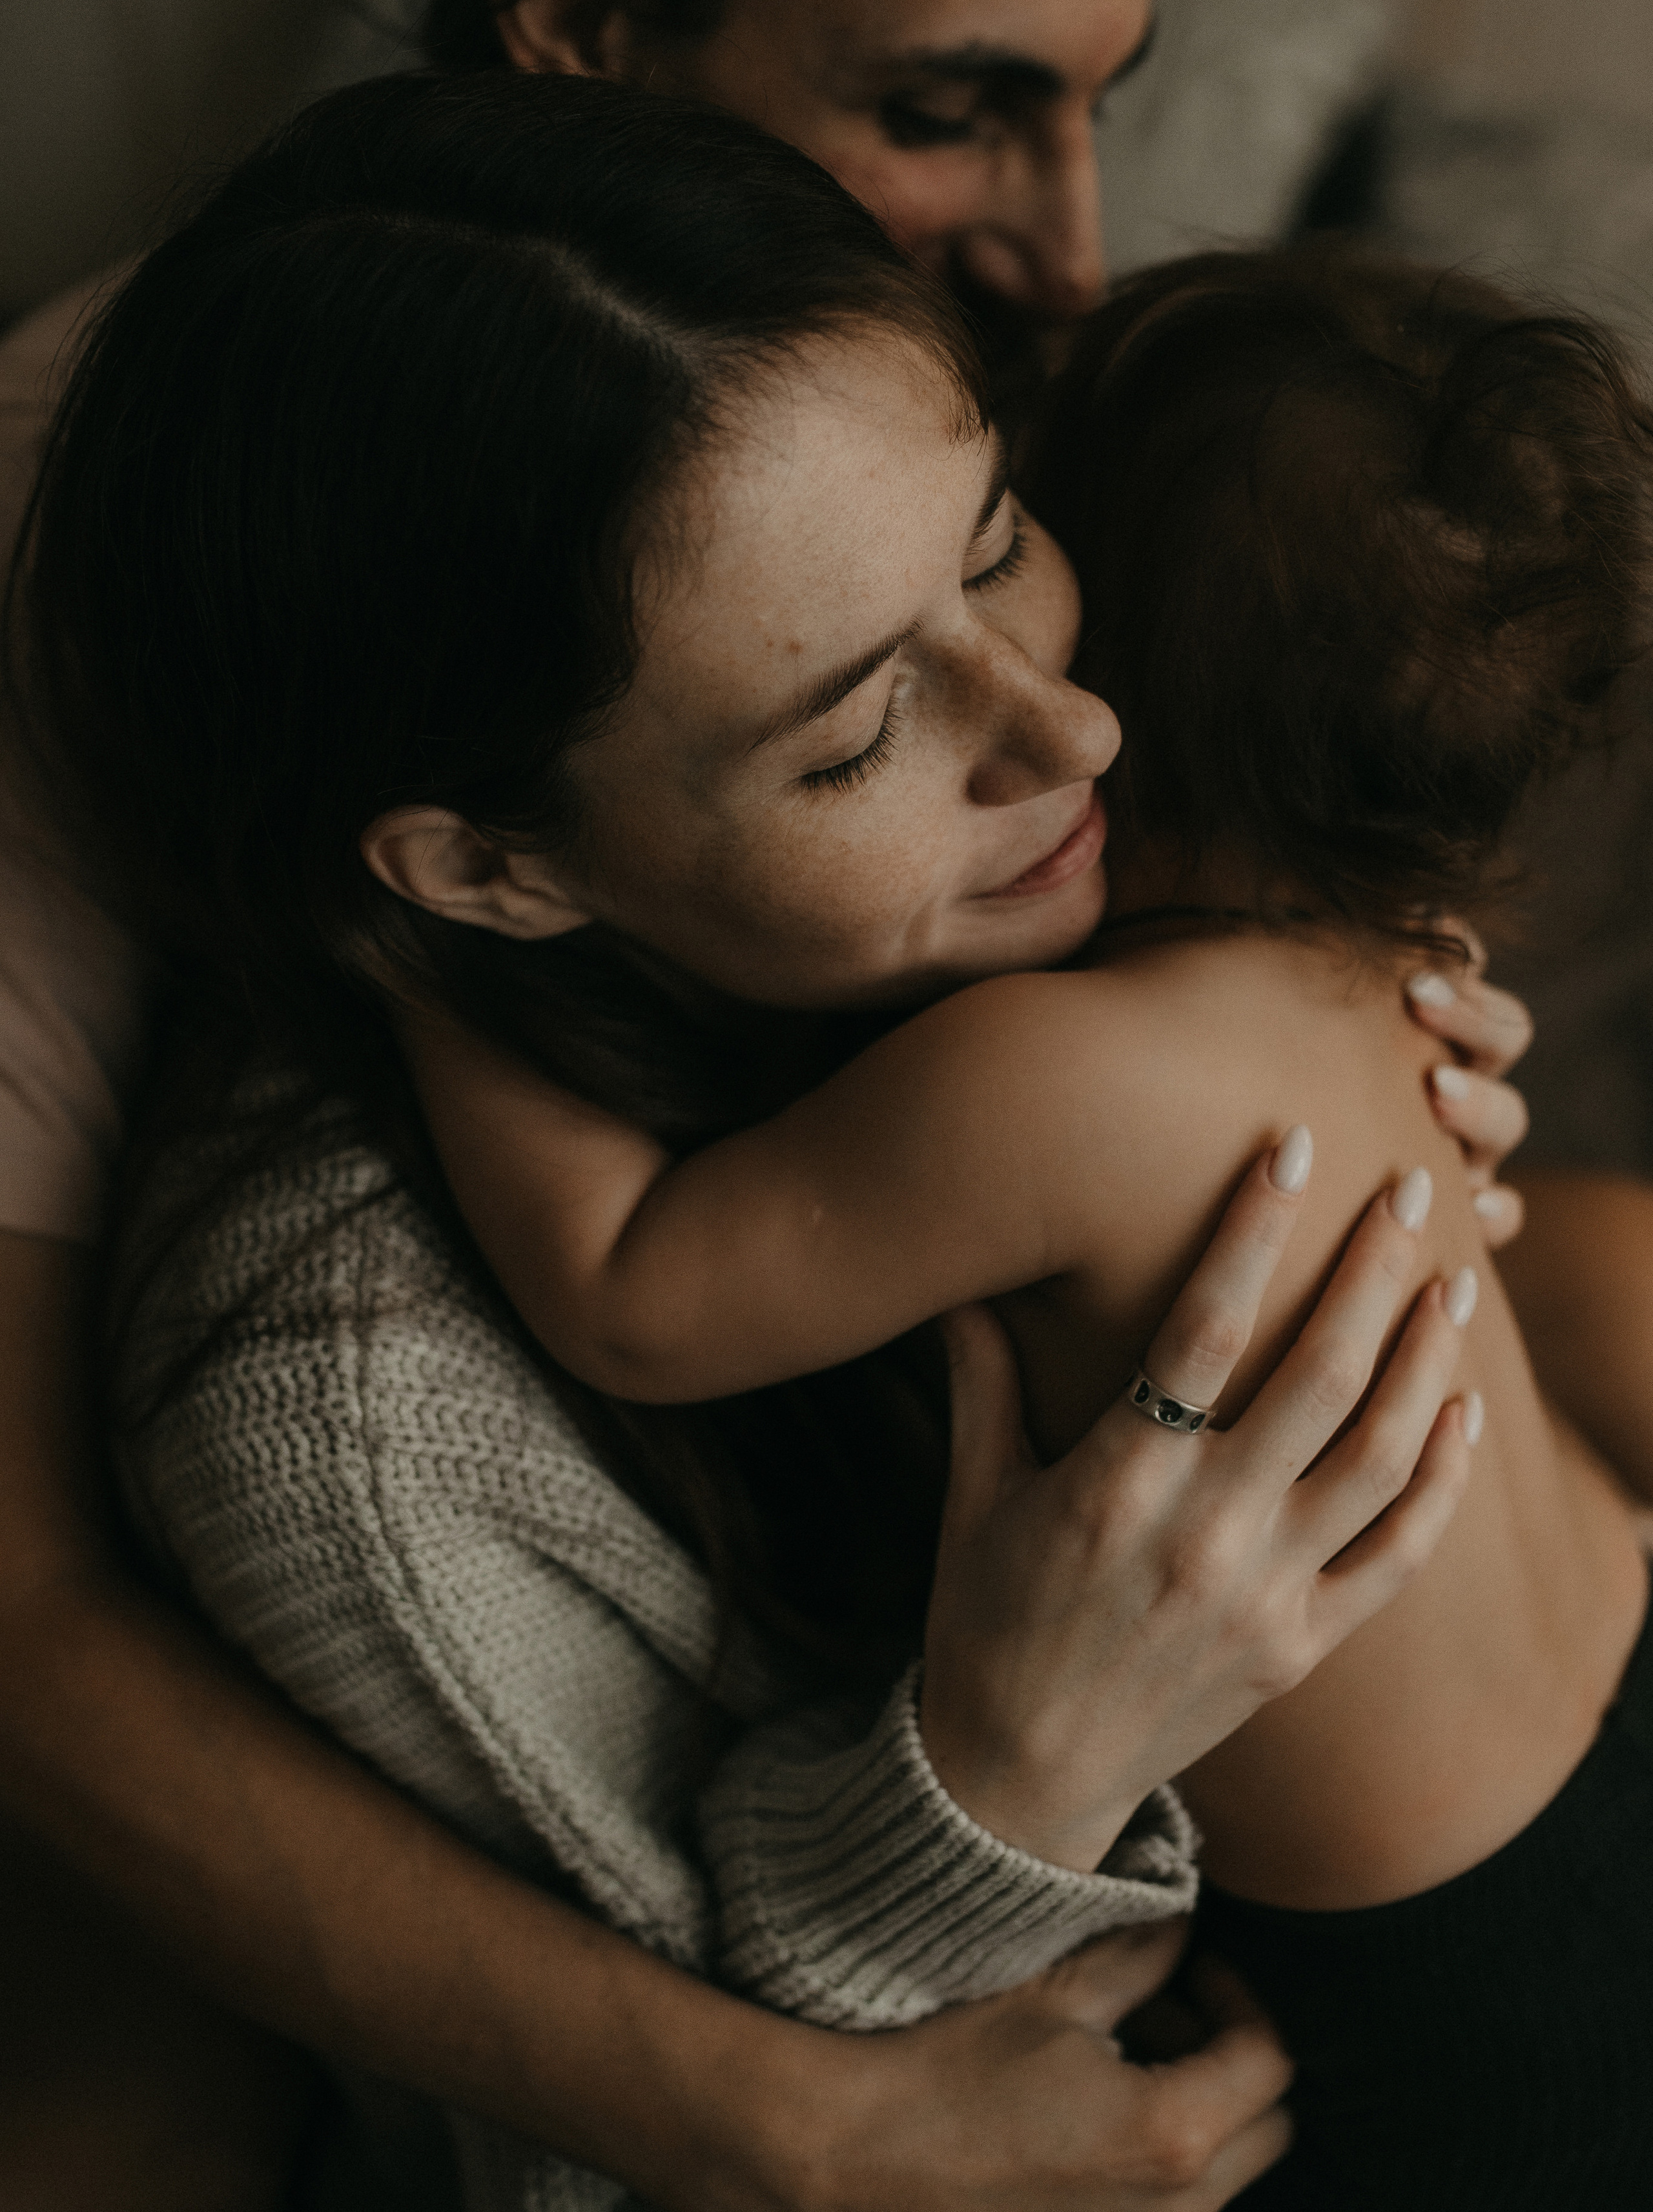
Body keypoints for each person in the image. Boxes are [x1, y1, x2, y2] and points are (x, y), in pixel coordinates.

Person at [0, 0, 1531, 2193]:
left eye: (1006, 532)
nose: (1083, 717)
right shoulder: (358, 1406)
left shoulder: (852, 444)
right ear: (576, 11)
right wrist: (1002, 1778)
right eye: (954, 98)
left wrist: (1383, 1022)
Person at [390, 240, 1653, 2203]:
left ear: (1107, 662)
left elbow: (636, 1296)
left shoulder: (1054, 1078)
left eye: (1001, 543)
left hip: (1443, 1974)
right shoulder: (1392, 957)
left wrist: (421, 948)